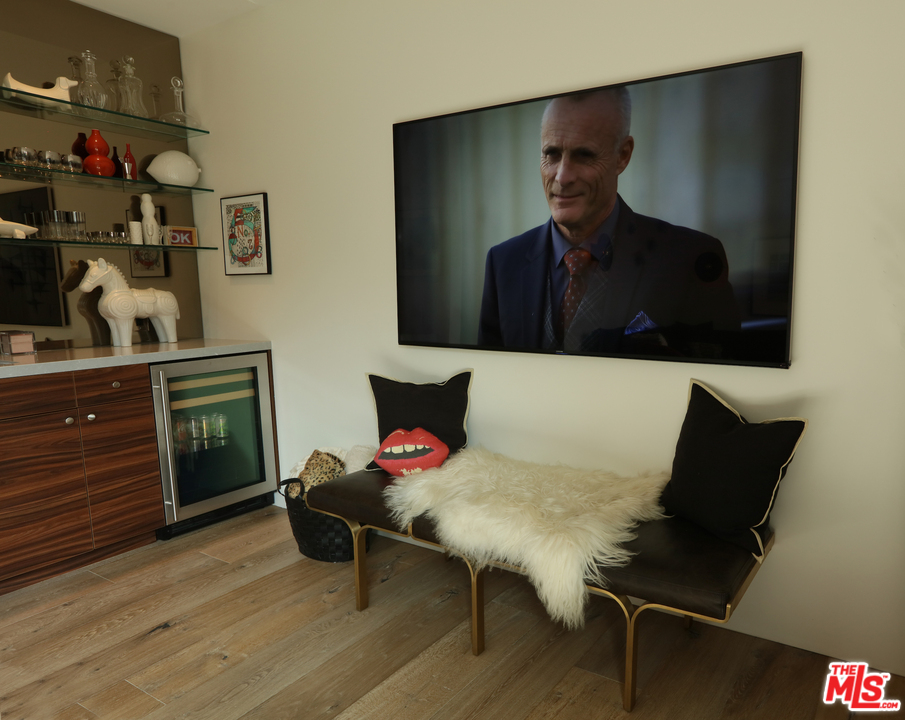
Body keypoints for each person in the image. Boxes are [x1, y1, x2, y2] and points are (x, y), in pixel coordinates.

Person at [478, 88, 739, 357]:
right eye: (552, 154)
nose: (563, 176)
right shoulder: (503, 263)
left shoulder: (688, 260)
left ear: (623, 155)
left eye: (584, 155)